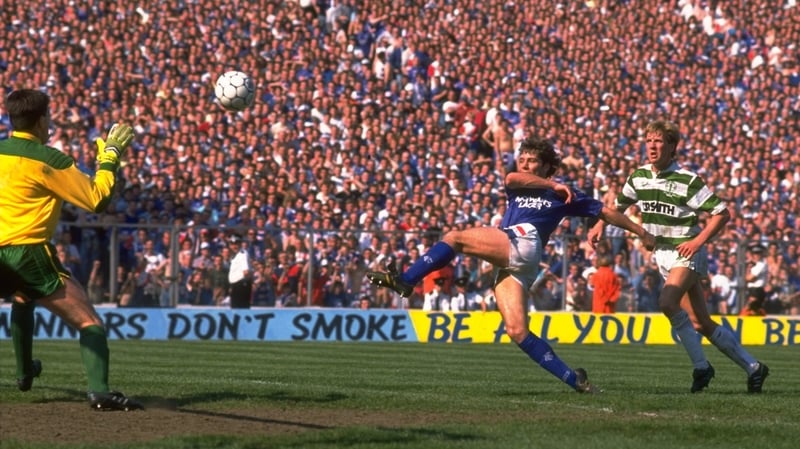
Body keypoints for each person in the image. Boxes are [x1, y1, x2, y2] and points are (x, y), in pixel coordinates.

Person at [367, 136, 656, 393]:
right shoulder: (523, 183)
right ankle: (575, 379)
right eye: (523, 159)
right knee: (517, 331)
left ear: (546, 166)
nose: (526, 164)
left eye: (533, 161)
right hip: (516, 259)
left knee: (455, 237)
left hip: (525, 242)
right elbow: (512, 179)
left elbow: (606, 212)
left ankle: (407, 280)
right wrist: (553, 184)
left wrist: (641, 231)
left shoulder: (566, 195)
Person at [588, 119, 769, 393]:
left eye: (659, 141)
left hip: (686, 251)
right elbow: (619, 205)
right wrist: (601, 223)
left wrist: (697, 241)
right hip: (662, 255)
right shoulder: (638, 177)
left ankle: (701, 367)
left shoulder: (687, 180)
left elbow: (722, 214)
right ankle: (754, 367)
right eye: (649, 140)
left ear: (672, 147)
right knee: (700, 322)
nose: (652, 145)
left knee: (667, 301)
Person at [0, 89, 142, 410]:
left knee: (23, 298)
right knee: (89, 322)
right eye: (48, 116)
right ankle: (101, 393)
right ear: (40, 121)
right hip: (26, 252)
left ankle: (24, 373)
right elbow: (96, 200)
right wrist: (110, 158)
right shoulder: (49, 159)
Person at [226, 233, 252, 309]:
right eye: (232, 244)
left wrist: (238, 282)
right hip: (236, 286)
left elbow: (246, 271)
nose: (234, 246)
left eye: (236, 243)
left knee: (239, 310)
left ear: (240, 243)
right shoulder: (235, 255)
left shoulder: (242, 254)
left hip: (241, 286)